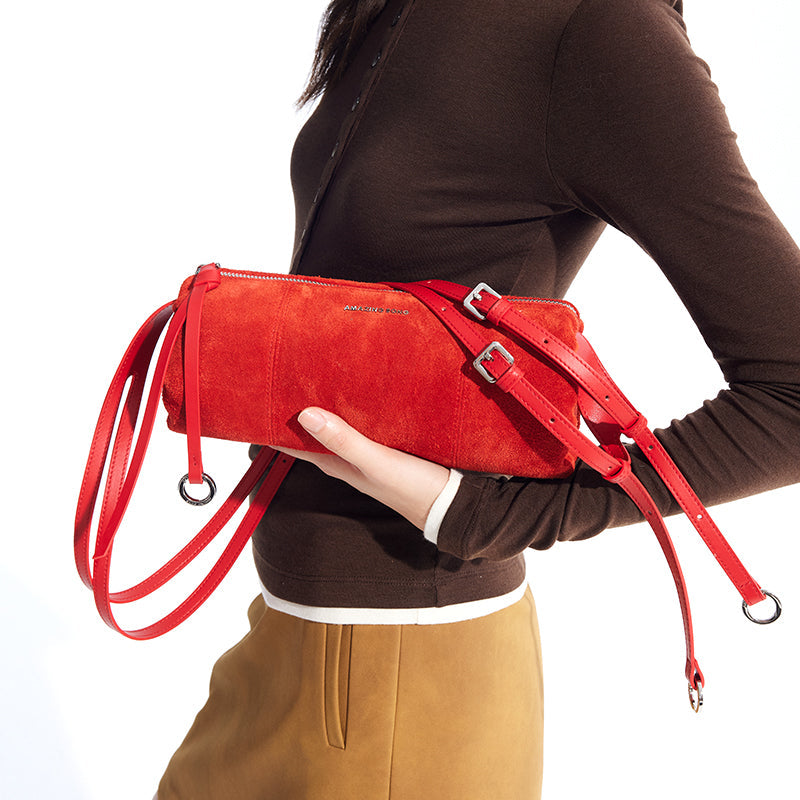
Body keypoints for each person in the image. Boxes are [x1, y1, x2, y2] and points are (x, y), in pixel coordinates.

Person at [155, 0, 800, 798]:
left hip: (404, 676)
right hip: (288, 641)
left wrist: (486, 514)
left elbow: (792, 395)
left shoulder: (600, 30)